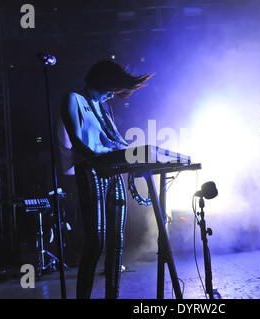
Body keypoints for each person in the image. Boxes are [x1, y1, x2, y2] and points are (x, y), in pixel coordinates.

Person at [59, 60, 153, 299]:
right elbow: (77, 141)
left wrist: (135, 154)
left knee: (117, 241)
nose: (112, 94)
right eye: (111, 88)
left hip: (112, 173)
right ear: (101, 81)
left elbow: (116, 141)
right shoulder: (74, 99)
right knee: (96, 241)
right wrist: (102, 159)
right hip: (91, 171)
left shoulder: (104, 107)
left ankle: (113, 295)